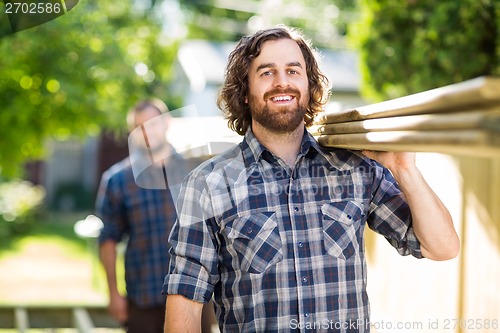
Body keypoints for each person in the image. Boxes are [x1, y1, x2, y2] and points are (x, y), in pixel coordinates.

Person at [162, 26, 460, 333]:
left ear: (308, 84)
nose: (282, 82)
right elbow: (185, 295)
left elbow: (442, 247)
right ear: (245, 92)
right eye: (266, 72)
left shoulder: (356, 169)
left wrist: (404, 169)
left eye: (293, 70)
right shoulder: (208, 185)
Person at [96, 98, 188, 333]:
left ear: (167, 122)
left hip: (193, 296)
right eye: (139, 126)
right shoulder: (117, 180)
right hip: (143, 297)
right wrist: (113, 294)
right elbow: (108, 240)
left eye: (153, 123)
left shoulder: (195, 172)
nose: (147, 131)